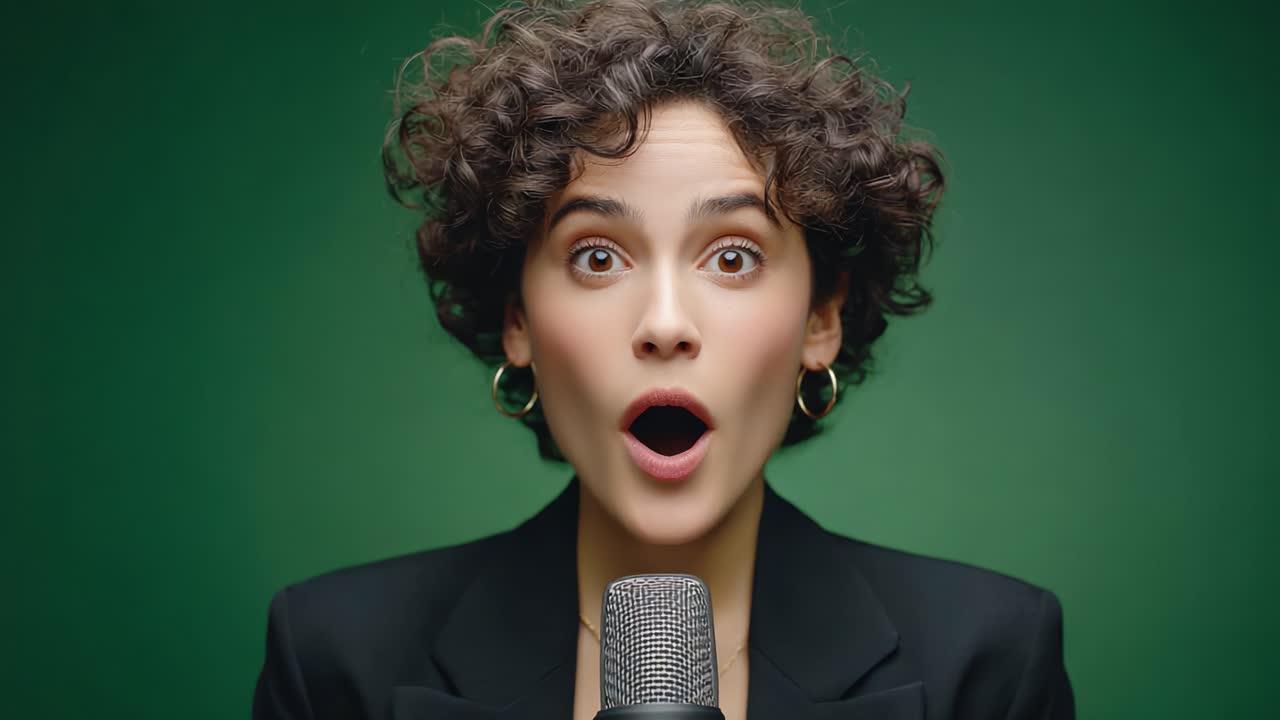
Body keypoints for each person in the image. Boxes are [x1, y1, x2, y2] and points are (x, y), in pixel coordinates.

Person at [252, 1, 1075, 718]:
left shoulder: (988, 664)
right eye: (598, 257)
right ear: (519, 322)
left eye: (733, 256)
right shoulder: (335, 662)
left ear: (821, 317)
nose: (665, 325)